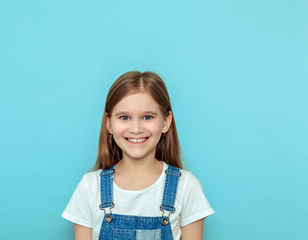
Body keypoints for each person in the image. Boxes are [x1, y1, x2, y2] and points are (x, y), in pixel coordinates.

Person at [62, 71, 214, 240]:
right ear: (109, 124)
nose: (136, 128)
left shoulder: (186, 187)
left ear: (165, 122)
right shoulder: (90, 187)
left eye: (147, 117)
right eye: (124, 117)